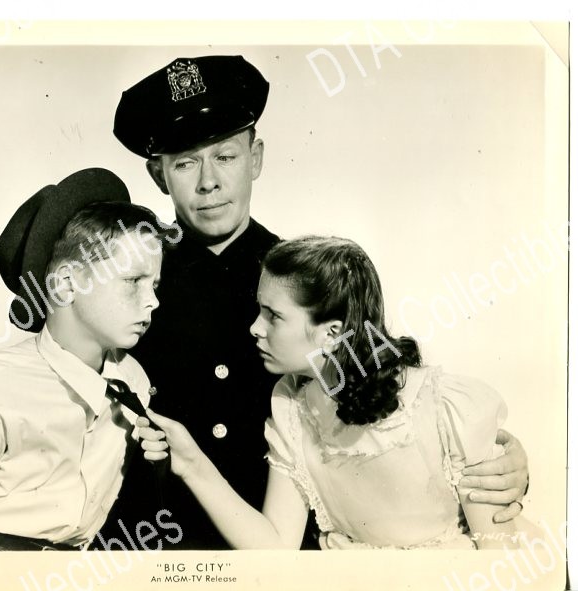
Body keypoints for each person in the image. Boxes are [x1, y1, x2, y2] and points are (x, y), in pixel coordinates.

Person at [0, 55, 530, 550]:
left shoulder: (307, 283)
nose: (208, 183)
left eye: (226, 156)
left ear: (256, 158)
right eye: (185, 164)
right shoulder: (121, 276)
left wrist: (498, 463)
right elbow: (33, 388)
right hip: (139, 554)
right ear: (158, 175)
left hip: (277, 555)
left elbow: (392, 411)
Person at [137, 235, 522, 550]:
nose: (255, 328)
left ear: (332, 333)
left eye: (274, 316)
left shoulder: (446, 407)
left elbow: (499, 556)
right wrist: (192, 464)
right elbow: (275, 548)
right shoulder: (291, 406)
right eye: (259, 311)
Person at [0, 168, 173, 550]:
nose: (153, 300)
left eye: (154, 285)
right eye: (133, 281)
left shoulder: (134, 381)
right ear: (66, 284)